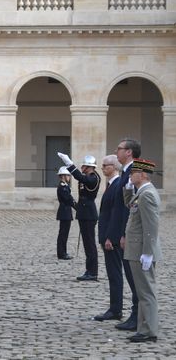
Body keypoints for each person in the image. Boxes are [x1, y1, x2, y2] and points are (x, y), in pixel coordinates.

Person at [122, 158, 162, 343]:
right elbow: (129, 205)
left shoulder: (147, 194)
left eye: (133, 173)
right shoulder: (141, 192)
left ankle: (149, 331)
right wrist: (129, 188)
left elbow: (151, 226)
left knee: (146, 292)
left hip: (141, 250)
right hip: (137, 249)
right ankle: (144, 328)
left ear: (143, 174)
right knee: (142, 291)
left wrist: (148, 252)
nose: (130, 175)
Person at [58, 153, 101, 281]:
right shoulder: (87, 176)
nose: (82, 168)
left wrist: (69, 164)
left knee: (90, 244)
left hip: (88, 213)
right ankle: (89, 270)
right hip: (84, 212)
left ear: (89, 167)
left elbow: (80, 178)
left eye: (84, 166)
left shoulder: (93, 177)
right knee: (87, 244)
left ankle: (92, 272)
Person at [114, 138, 141, 331]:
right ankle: (136, 314)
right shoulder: (126, 172)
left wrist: (124, 234)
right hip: (125, 232)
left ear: (129, 152)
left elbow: (133, 207)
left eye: (119, 149)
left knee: (135, 277)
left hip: (132, 234)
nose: (117, 151)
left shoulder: (137, 171)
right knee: (131, 275)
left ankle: (138, 315)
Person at [94, 155, 124, 321]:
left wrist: (109, 238)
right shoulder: (111, 184)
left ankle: (115, 309)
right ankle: (114, 307)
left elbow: (115, 215)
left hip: (111, 238)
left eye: (105, 165)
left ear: (113, 167)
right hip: (107, 235)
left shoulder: (117, 184)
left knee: (115, 274)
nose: (103, 168)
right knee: (113, 273)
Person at [55, 166, 75, 260]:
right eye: (68, 175)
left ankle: (63, 251)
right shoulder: (62, 186)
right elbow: (68, 199)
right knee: (63, 233)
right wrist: (78, 207)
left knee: (64, 234)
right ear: (63, 176)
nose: (69, 177)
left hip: (66, 211)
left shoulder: (65, 186)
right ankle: (61, 253)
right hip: (64, 212)